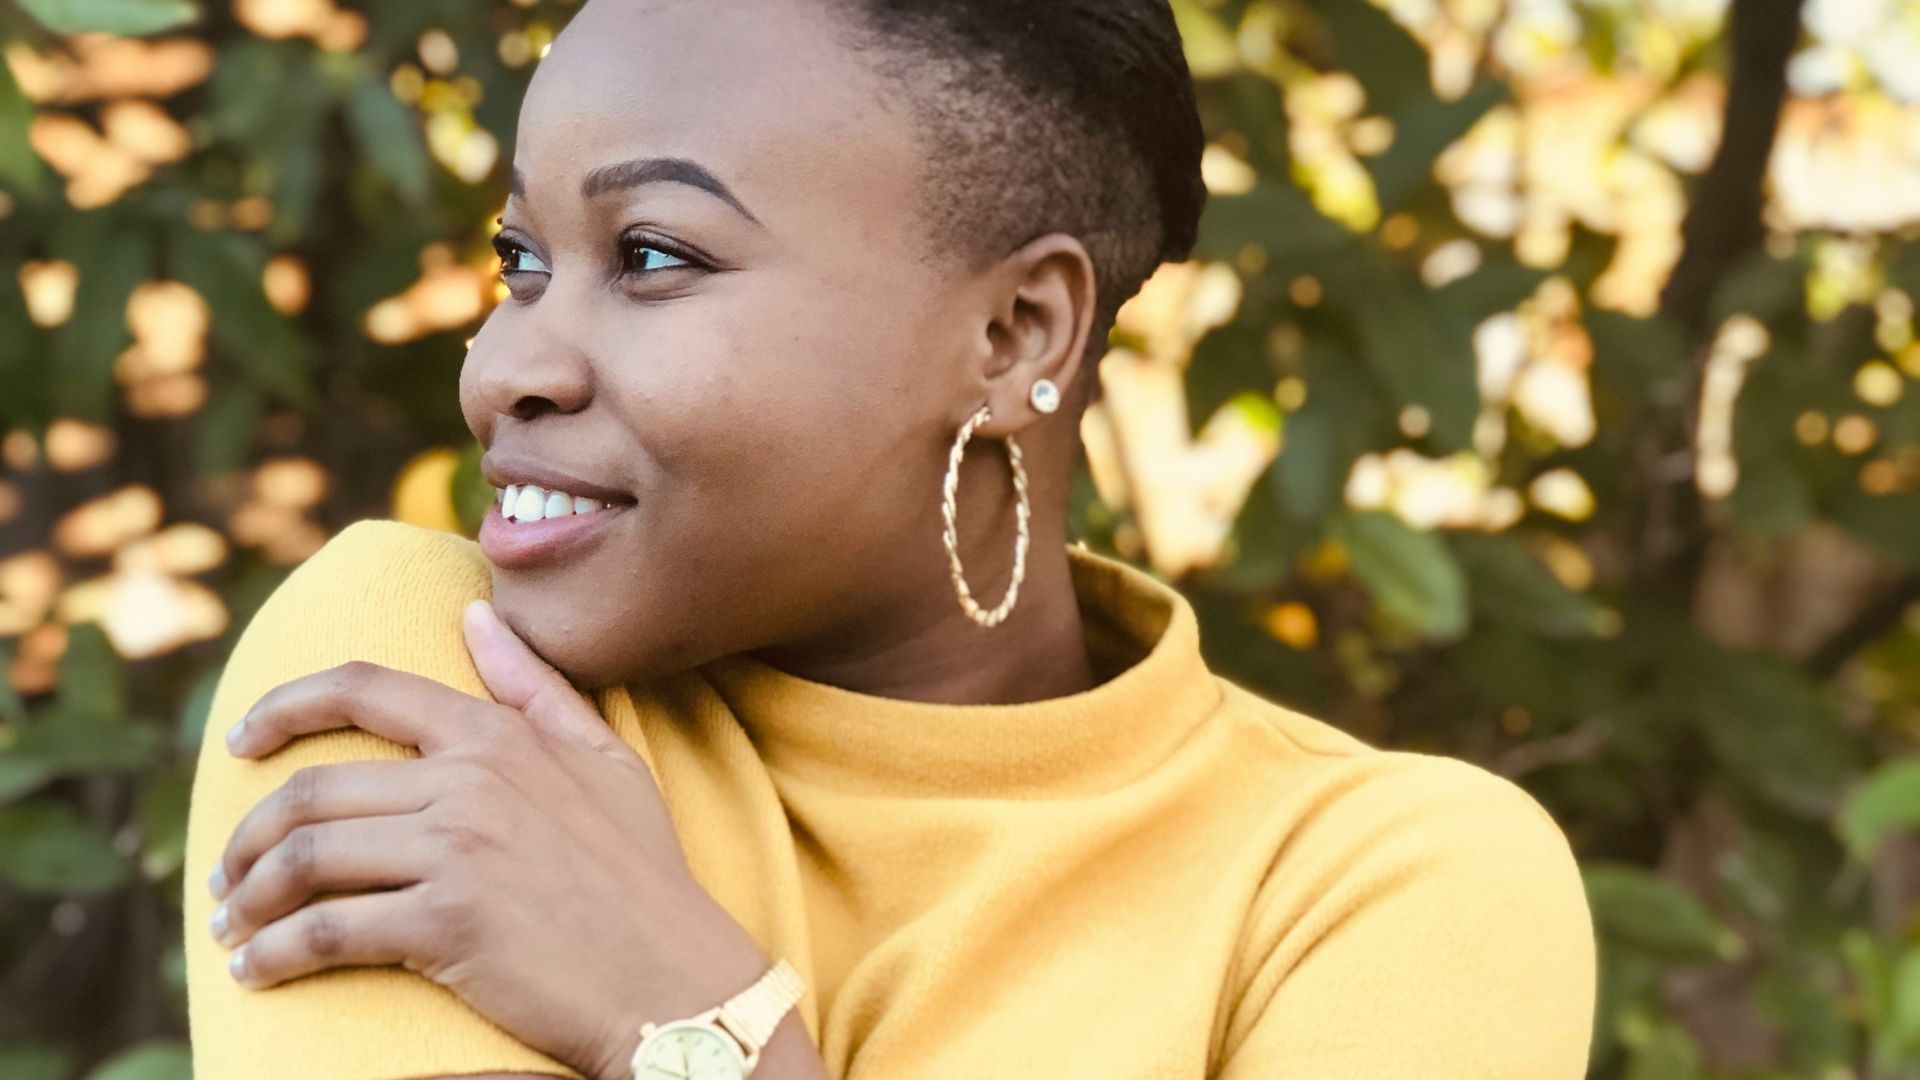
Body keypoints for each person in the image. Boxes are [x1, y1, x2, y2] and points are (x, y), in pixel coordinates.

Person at [181, 1, 1598, 1077]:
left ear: (1010, 334)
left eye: (654, 257)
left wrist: (691, 1029)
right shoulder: (426, 685)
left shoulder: (1381, 880)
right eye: (523, 261)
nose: (502, 369)